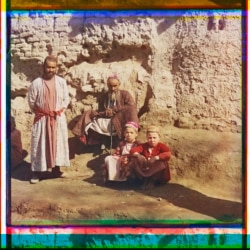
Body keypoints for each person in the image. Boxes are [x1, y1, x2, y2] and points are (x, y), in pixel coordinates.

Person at [27, 55, 70, 184]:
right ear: (43, 67)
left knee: (57, 144)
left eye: (53, 67)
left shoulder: (61, 82)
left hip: (57, 117)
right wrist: (42, 113)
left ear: (56, 68)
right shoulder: (36, 83)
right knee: (41, 144)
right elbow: (31, 102)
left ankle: (56, 169)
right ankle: (38, 172)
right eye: (48, 67)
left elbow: (66, 99)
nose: (50, 70)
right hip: (42, 118)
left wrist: (59, 110)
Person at [71, 74, 139, 149]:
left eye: (115, 86)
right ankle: (82, 135)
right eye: (110, 86)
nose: (112, 88)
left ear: (119, 84)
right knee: (89, 113)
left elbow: (131, 106)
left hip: (119, 120)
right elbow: (101, 110)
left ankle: (125, 140)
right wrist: (106, 112)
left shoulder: (125, 94)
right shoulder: (105, 96)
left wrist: (114, 109)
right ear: (107, 85)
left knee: (131, 110)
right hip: (106, 120)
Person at [130, 125, 171, 190]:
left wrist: (157, 157)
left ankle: (152, 181)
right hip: (147, 167)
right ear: (146, 138)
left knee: (161, 162)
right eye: (150, 138)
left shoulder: (161, 146)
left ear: (159, 137)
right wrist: (138, 155)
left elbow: (168, 154)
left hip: (157, 170)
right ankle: (145, 180)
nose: (152, 140)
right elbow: (133, 150)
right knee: (135, 160)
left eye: (154, 138)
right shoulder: (144, 146)